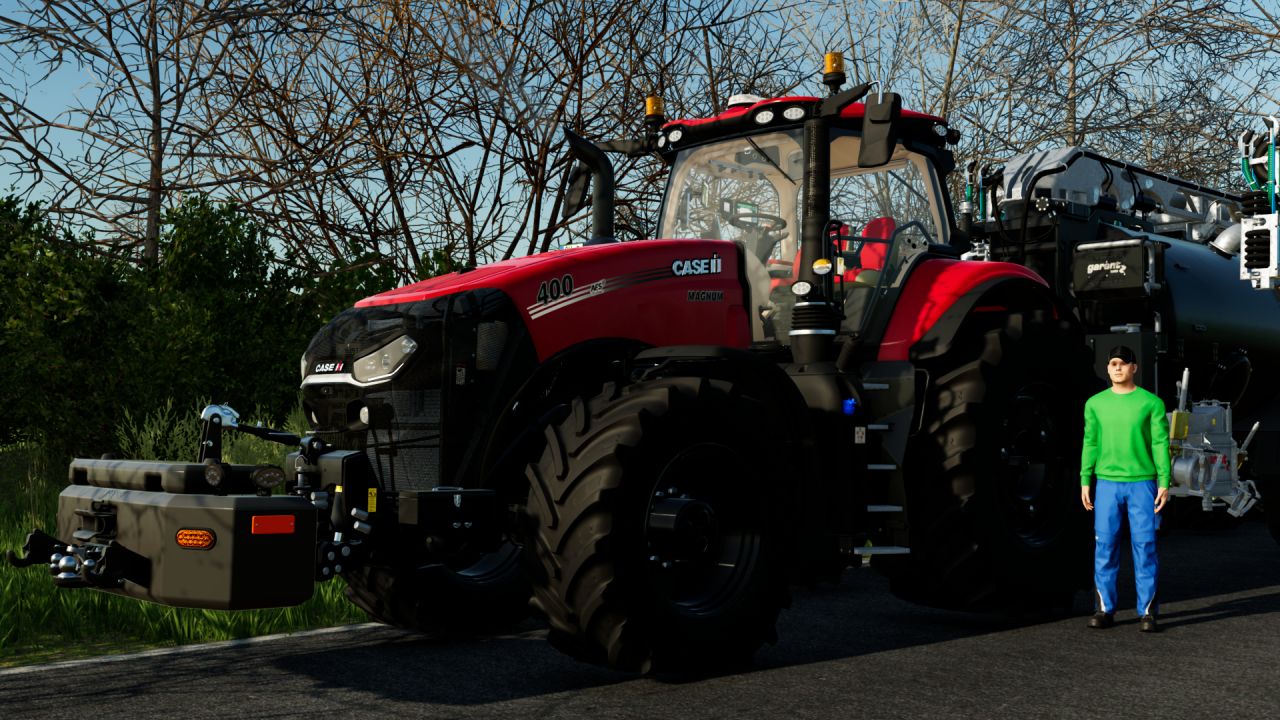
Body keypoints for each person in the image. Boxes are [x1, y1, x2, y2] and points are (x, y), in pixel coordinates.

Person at [1080, 345, 1170, 632]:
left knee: (1145, 547)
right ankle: (1105, 610)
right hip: (1106, 484)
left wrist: (1164, 482)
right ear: (1107, 368)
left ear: (1134, 368)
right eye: (1113, 363)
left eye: (1123, 363)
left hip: (1142, 484)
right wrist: (1085, 479)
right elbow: (1090, 442)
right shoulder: (1095, 404)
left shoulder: (1151, 403)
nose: (1117, 368)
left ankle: (1147, 613)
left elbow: (1159, 444)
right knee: (1105, 547)